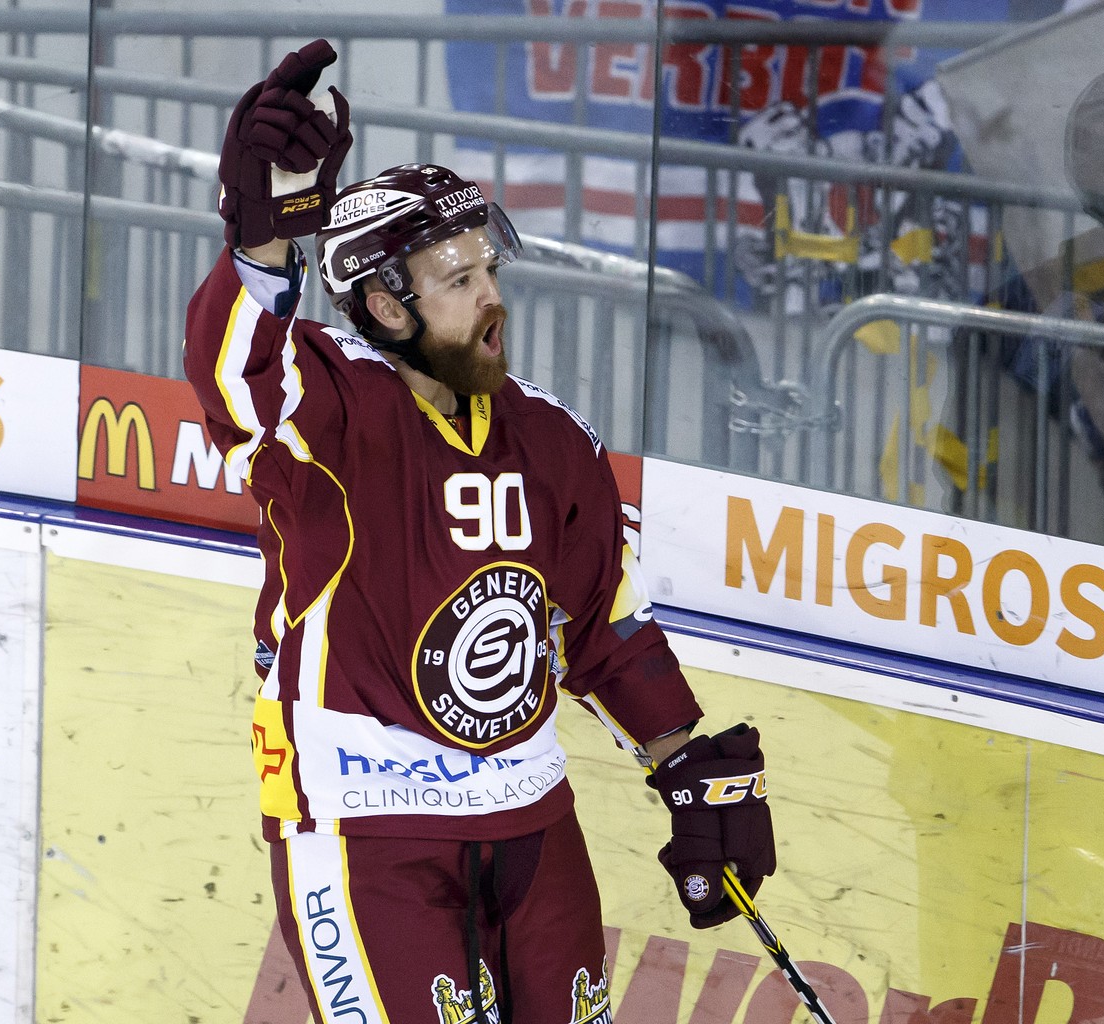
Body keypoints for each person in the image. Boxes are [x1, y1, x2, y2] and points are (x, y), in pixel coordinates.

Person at [184, 40, 777, 1024]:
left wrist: (683, 762)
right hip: (363, 824)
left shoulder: (550, 439)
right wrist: (262, 242)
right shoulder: (330, 417)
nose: (491, 295)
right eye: (457, 279)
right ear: (384, 305)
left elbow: (600, 624)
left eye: (488, 268)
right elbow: (239, 378)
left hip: (531, 822)